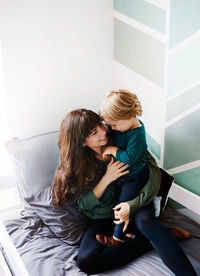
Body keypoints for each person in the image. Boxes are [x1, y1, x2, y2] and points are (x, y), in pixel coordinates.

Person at [51, 108, 197, 276]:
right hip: (105, 218)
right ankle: (149, 241)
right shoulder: (78, 166)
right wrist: (107, 178)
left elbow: (153, 172)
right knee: (86, 261)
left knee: (146, 220)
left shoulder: (122, 138)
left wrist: (131, 205)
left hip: (135, 205)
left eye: (100, 124)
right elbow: (84, 205)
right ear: (82, 142)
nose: (102, 131)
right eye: (93, 132)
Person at [96, 89, 158, 247]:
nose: (112, 128)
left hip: (135, 176)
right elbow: (109, 125)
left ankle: (117, 239)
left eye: (114, 125)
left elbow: (130, 159)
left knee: (122, 204)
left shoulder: (137, 133)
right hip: (124, 175)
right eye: (110, 125)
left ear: (128, 116)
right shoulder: (122, 124)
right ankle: (129, 232)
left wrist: (113, 150)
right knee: (117, 199)